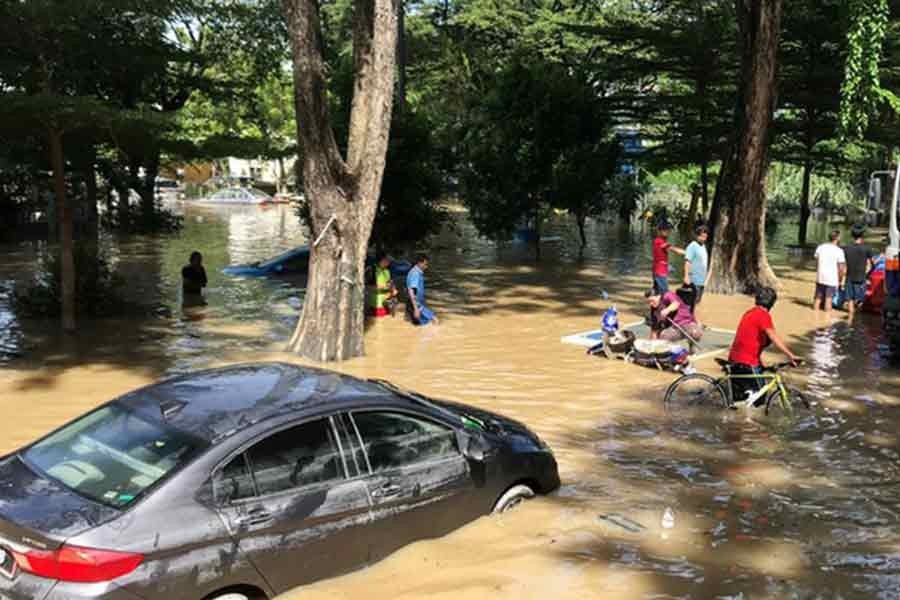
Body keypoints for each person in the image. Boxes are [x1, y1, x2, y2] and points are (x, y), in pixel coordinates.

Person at [728, 287, 801, 405]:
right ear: (772, 303)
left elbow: (751, 343)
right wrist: (790, 355)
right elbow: (772, 336)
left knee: (738, 402)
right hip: (747, 363)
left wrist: (762, 365)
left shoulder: (749, 313)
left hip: (734, 360)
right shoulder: (763, 315)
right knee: (760, 400)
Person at [843, 224, 873, 317]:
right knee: (860, 301)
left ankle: (850, 318)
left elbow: (844, 265)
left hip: (849, 277)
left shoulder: (846, 248)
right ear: (862, 235)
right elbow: (871, 264)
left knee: (850, 300)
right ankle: (857, 322)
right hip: (861, 278)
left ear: (852, 235)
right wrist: (868, 274)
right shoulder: (867, 248)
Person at [813, 229, 846, 316]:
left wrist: (818, 272)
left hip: (820, 277)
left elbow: (816, 262)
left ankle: (814, 316)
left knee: (817, 299)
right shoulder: (839, 251)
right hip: (831, 279)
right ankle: (826, 320)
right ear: (838, 238)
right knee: (828, 300)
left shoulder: (820, 247)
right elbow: (841, 268)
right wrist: (840, 280)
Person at [652, 221, 685, 293]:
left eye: (668, 230)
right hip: (659, 271)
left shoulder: (662, 241)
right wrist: (686, 252)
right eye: (664, 230)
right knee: (665, 293)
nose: (667, 231)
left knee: (657, 292)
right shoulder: (659, 241)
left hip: (659, 270)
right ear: (659, 231)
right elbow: (672, 249)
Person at [406, 254, 437, 326]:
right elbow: (411, 291)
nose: (426, 266)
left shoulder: (414, 271)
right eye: (425, 264)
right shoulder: (415, 274)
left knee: (425, 325)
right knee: (434, 321)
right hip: (417, 306)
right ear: (419, 263)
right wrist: (416, 309)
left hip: (416, 304)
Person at [683, 224, 709, 308]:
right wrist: (686, 276)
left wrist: (706, 280)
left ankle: (693, 318)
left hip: (701, 281)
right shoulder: (692, 246)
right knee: (690, 303)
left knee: (697, 302)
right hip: (693, 280)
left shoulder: (703, 246)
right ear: (697, 235)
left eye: (705, 236)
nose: (703, 238)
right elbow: (687, 261)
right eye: (701, 236)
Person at [368, 253, 399, 317]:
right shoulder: (372, 270)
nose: (389, 263)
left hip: (386, 302)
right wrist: (385, 287)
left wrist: (394, 289)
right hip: (376, 303)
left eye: (389, 262)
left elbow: (391, 283)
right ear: (382, 260)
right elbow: (368, 287)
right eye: (387, 261)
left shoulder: (387, 271)